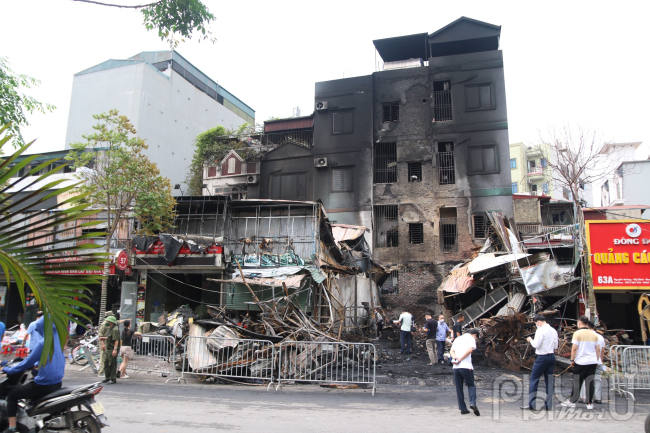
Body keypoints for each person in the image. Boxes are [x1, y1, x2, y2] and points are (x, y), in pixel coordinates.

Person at [1, 316, 65, 433]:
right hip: (57, 382)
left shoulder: (43, 343)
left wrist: (9, 370)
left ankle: (12, 428)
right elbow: (51, 359)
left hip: (44, 384)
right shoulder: (58, 340)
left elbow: (26, 362)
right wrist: (37, 365)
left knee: (12, 394)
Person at [561, 315, 600, 410]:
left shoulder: (577, 333)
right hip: (592, 361)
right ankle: (589, 403)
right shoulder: (595, 334)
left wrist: (572, 360)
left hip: (581, 361)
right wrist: (597, 360)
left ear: (579, 323)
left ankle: (573, 401)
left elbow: (574, 348)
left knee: (577, 381)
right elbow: (598, 349)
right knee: (590, 382)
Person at [524, 314, 558, 411]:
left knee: (534, 379)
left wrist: (530, 339)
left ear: (538, 322)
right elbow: (556, 346)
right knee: (549, 381)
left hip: (542, 357)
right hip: (551, 356)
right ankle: (549, 405)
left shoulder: (540, 330)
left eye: (536, 324)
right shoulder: (553, 330)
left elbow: (536, 345)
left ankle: (532, 404)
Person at [450, 328, 481, 416]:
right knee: (471, 385)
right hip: (466, 366)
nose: (476, 340)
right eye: (476, 339)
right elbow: (470, 350)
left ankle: (463, 408)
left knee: (459, 388)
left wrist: (455, 358)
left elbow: (451, 351)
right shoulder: (471, 339)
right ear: (475, 335)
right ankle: (472, 403)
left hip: (456, 367)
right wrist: (461, 359)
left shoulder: (458, 338)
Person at [580, 320, 605, 404]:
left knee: (585, 379)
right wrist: (601, 361)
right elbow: (602, 350)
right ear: (594, 327)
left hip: (587, 360)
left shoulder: (584, 336)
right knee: (597, 379)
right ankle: (598, 398)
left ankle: (584, 397)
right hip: (597, 361)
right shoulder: (600, 337)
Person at [99, 316, 120, 384]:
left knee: (112, 363)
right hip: (109, 347)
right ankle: (107, 377)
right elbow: (110, 337)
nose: (106, 322)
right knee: (106, 363)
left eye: (108, 321)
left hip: (112, 347)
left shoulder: (115, 329)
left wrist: (115, 349)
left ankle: (113, 378)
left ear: (111, 322)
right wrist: (103, 338)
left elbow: (116, 340)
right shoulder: (111, 329)